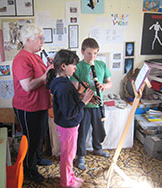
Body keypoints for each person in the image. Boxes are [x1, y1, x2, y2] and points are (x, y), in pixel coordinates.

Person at [46, 49, 95, 188]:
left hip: (69, 126)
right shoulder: (63, 87)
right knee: (68, 157)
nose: (75, 67)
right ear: (63, 66)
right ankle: (66, 182)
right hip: (68, 126)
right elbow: (69, 112)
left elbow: (68, 103)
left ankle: (70, 177)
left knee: (70, 155)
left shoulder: (62, 81)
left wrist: (79, 93)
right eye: (73, 65)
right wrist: (84, 101)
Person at [12, 23, 53, 183]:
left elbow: (43, 76)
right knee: (30, 138)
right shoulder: (21, 58)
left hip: (40, 105)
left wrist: (50, 68)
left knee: (39, 136)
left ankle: (36, 158)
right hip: (28, 107)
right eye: (40, 38)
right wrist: (46, 75)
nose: (43, 41)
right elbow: (27, 86)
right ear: (28, 40)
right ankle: (29, 169)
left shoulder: (35, 55)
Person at [71, 38, 113, 170]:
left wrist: (103, 86)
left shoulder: (101, 65)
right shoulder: (78, 67)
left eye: (95, 53)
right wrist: (83, 89)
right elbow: (75, 89)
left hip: (98, 104)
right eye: (89, 53)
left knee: (98, 129)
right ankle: (81, 156)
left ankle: (97, 148)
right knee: (82, 132)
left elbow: (109, 82)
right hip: (84, 105)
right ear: (82, 52)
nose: (92, 56)